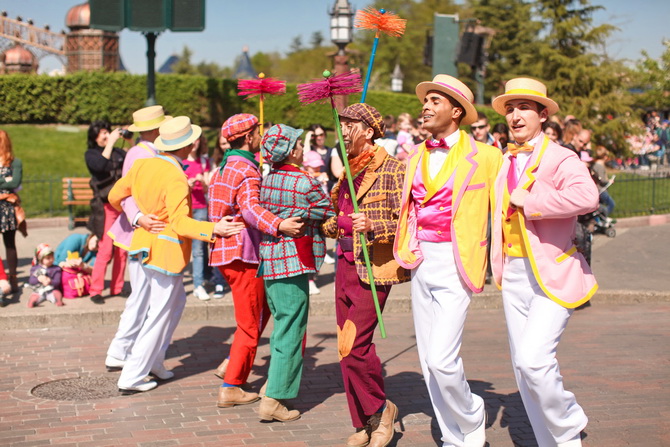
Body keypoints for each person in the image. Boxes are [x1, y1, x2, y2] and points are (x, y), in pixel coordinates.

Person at [490, 77, 599, 447]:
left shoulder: (560, 156)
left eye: (523, 108)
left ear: (541, 114)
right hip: (514, 273)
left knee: (535, 361)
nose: (515, 115)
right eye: (510, 109)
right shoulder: (504, 159)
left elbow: (588, 197)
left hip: (553, 272)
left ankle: (569, 421)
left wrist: (532, 201)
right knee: (524, 369)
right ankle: (553, 442)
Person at [393, 74, 502, 447]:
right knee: (428, 363)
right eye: (425, 100)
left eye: (435, 101)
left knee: (441, 358)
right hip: (421, 260)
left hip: (459, 261)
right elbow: (406, 208)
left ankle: (472, 412)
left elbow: (505, 210)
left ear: (456, 111)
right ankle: (456, 437)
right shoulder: (415, 156)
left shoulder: (487, 156)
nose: (425, 106)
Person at [108, 116, 244, 394]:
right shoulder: (175, 176)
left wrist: (139, 218)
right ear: (188, 145)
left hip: (144, 245)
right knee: (158, 313)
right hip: (165, 251)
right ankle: (133, 375)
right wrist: (214, 228)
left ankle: (155, 361)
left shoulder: (144, 164)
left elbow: (114, 195)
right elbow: (181, 223)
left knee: (173, 305)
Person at [321, 103, 409, 447]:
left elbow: (406, 223)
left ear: (368, 132)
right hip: (343, 265)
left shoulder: (393, 169)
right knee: (345, 349)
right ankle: (365, 422)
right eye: (340, 124)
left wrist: (373, 225)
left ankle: (382, 410)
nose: (341, 130)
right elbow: (331, 221)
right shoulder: (346, 172)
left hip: (372, 268)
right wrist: (339, 222)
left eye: (349, 125)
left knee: (355, 345)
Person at [208, 113, 304, 408]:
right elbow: (249, 209)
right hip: (242, 253)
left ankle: (232, 363)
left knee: (258, 313)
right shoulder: (246, 170)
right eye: (256, 133)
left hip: (226, 252)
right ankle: (231, 385)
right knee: (251, 323)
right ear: (248, 137)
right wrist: (279, 224)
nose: (259, 138)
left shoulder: (225, 167)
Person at [257, 124, 335, 422]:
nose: (303, 148)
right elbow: (326, 211)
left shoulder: (268, 179)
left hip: (270, 260)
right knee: (291, 329)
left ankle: (271, 385)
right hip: (295, 260)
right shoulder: (305, 181)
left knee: (281, 326)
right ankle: (275, 399)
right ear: (291, 151)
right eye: (299, 145)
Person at [104, 105, 170, 373]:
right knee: (142, 294)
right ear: (154, 129)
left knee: (146, 296)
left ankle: (128, 350)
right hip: (141, 232)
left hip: (152, 232)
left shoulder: (153, 152)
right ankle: (122, 350)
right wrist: (138, 217)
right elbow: (125, 192)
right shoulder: (137, 153)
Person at [85, 120, 128, 304]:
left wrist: (131, 141)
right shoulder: (91, 154)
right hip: (106, 208)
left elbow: (135, 163)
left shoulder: (119, 153)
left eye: (107, 132)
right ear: (94, 137)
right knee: (105, 249)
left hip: (123, 206)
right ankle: (96, 290)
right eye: (101, 133)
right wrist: (110, 143)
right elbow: (101, 167)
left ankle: (117, 287)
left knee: (122, 250)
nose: (105, 135)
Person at [183, 134, 211, 301]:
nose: (194, 143)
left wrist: (203, 182)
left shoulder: (203, 161)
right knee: (183, 247)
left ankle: (198, 284)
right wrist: (188, 185)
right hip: (184, 209)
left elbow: (208, 190)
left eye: (197, 140)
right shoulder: (180, 161)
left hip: (200, 208)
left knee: (199, 249)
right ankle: (178, 281)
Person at [0, 129, 24, 292]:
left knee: (10, 244)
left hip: (8, 208)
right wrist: (5, 181)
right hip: (5, 201)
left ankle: (13, 277)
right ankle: (2, 278)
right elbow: (9, 182)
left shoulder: (15, 162)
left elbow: (15, 182)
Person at [27, 243, 63, 308]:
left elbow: (57, 281)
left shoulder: (56, 269)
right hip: (39, 290)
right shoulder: (35, 269)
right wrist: (38, 279)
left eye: (52, 257)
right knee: (35, 295)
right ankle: (32, 301)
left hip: (51, 289)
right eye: (48, 258)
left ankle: (58, 300)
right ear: (41, 259)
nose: (51, 260)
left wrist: (50, 281)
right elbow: (31, 281)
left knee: (56, 293)